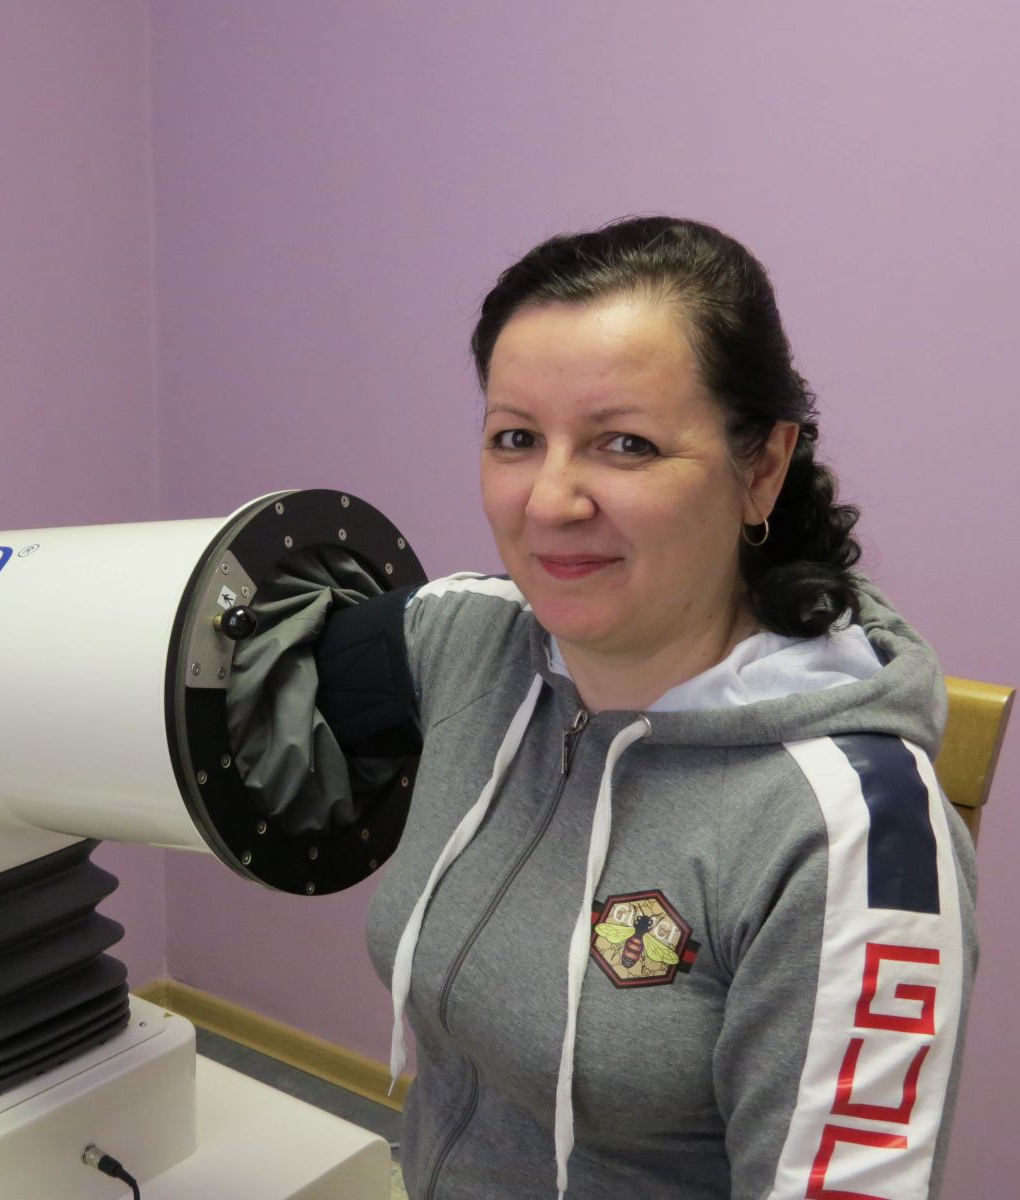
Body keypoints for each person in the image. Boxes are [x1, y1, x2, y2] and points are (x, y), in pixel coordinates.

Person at [363, 216, 977, 1199]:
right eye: (516, 438)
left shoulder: (847, 832)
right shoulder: (474, 643)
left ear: (760, 468)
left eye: (626, 444)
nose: (549, 501)